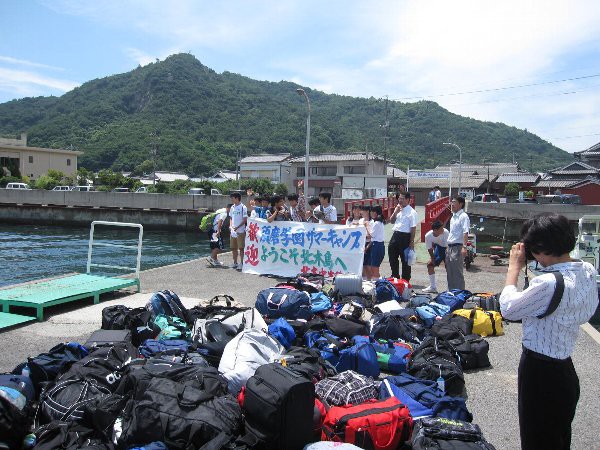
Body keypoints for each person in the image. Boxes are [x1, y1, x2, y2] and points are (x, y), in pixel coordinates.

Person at [499, 214, 598, 450]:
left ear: (540, 249)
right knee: (559, 435)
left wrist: (514, 267)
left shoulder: (549, 283)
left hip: (539, 373)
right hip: (565, 369)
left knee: (537, 438)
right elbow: (589, 310)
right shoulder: (587, 270)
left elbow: (508, 309)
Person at [388, 192, 418, 281]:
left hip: (405, 237)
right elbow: (392, 221)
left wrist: (411, 241)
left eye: (402, 198)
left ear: (408, 200)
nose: (400, 200)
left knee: (405, 260)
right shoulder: (398, 209)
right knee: (392, 255)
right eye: (399, 198)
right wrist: (396, 211)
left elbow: (413, 227)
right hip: (395, 235)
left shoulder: (412, 212)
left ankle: (405, 279)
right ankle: (395, 276)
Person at [445, 196, 470, 290]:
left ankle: (460, 293)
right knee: (449, 272)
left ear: (461, 204)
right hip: (450, 247)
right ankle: (451, 292)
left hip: (457, 247)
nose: (452, 204)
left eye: (454, 202)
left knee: (457, 273)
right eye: (451, 202)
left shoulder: (463, 216)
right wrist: (447, 246)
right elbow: (452, 233)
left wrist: (464, 247)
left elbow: (465, 232)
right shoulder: (453, 217)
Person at [423, 220, 449, 293]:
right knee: (430, 265)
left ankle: (450, 289)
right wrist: (432, 258)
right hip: (439, 248)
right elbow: (429, 248)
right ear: (435, 230)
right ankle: (433, 287)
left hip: (447, 248)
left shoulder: (446, 232)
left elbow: (448, 245)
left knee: (449, 268)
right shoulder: (428, 235)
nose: (443, 229)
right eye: (441, 228)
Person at [364, 206, 385, 280]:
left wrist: (366, 226)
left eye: (373, 212)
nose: (371, 213)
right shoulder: (379, 222)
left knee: (374, 268)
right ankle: (377, 283)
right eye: (371, 211)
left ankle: (377, 285)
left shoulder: (377, 223)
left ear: (376, 213)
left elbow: (370, 235)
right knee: (374, 267)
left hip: (377, 246)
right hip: (377, 245)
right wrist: (367, 247)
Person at [228, 192, 247, 270]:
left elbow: (245, 219)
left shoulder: (243, 207)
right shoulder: (232, 207)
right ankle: (235, 262)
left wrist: (237, 227)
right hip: (233, 231)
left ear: (236, 198)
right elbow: (231, 218)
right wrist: (231, 226)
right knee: (233, 248)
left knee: (241, 248)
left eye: (232, 198)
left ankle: (242, 263)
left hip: (241, 231)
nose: (231, 200)